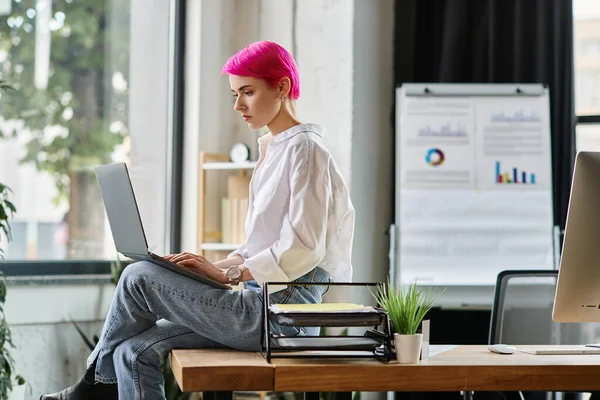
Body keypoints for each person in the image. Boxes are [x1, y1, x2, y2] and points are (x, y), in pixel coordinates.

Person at [41, 40, 355, 400]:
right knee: (132, 353)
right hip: (258, 305)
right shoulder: (274, 147)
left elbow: (304, 247)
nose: (238, 105)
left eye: (247, 92)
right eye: (235, 94)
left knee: (138, 277)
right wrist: (208, 267)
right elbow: (261, 246)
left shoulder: (306, 149)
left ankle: (90, 388)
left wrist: (228, 274)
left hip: (280, 319)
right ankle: (97, 384)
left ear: (282, 87)